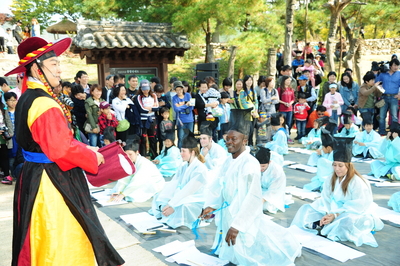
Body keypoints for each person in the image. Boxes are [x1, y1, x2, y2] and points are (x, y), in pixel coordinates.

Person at [5, 37, 124, 265]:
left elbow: (52, 141)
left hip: (35, 173)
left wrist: (83, 146)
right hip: (51, 179)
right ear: (36, 69)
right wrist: (91, 155)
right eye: (53, 65)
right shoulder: (43, 103)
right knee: (61, 238)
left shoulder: (28, 97)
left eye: (59, 64)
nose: (59, 70)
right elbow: (59, 149)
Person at [201, 108, 301, 266]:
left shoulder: (249, 164)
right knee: (233, 250)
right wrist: (211, 206)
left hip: (243, 215)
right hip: (229, 211)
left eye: (234, 139)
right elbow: (219, 185)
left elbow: (253, 198)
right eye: (227, 138)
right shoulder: (229, 160)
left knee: (253, 249)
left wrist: (237, 225)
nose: (229, 142)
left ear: (245, 140)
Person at [293, 137, 384, 247]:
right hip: (332, 209)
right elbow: (326, 198)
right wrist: (328, 213)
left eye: (340, 166)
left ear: (348, 166)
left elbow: (358, 206)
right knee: (307, 209)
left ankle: (324, 224)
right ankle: (323, 222)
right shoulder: (330, 178)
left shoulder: (358, 182)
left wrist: (335, 215)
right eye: (334, 165)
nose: (337, 169)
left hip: (351, 212)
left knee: (347, 220)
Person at [150, 129, 208, 229]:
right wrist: (168, 200)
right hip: (183, 195)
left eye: (183, 151)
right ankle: (164, 212)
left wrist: (172, 205)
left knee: (181, 207)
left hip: (196, 199)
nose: (181, 154)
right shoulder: (183, 165)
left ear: (192, 152)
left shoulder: (200, 169)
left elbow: (188, 191)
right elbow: (174, 183)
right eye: (181, 151)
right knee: (159, 196)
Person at [110, 137, 165, 203]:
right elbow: (125, 178)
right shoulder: (130, 162)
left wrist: (123, 194)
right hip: (141, 181)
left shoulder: (143, 162)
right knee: (120, 188)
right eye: (126, 154)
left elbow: (138, 180)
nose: (128, 157)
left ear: (137, 152)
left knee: (133, 194)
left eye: (130, 154)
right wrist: (119, 191)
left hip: (153, 183)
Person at [254, 147, 287, 214]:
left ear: (269, 162)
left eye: (263, 166)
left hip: (273, 195)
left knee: (262, 206)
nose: (260, 168)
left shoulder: (276, 171)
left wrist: (261, 200)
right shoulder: (254, 165)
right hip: (260, 191)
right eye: (259, 166)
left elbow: (274, 191)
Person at [134, 79, 159, 158]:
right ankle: (143, 156)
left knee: (153, 138)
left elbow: (157, 107)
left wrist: (149, 108)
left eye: (147, 88)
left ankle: (153, 155)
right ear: (141, 89)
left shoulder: (153, 95)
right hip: (143, 120)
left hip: (152, 119)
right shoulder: (138, 97)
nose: (146, 91)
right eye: (144, 89)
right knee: (143, 139)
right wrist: (151, 108)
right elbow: (141, 109)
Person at [375, 59, 400, 135]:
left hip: (394, 97)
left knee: (394, 116)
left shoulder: (399, 74)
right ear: (390, 66)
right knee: (382, 116)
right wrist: (378, 72)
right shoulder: (383, 74)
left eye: (397, 65)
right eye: (394, 65)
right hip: (384, 97)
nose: (396, 67)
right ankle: (382, 131)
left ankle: (394, 132)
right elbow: (376, 82)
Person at [172, 80, 194, 148]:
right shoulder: (174, 98)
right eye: (177, 90)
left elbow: (192, 106)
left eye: (180, 89)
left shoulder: (187, 95)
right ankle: (180, 153)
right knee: (181, 138)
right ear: (175, 90)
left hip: (190, 119)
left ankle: (189, 151)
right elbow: (176, 109)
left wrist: (181, 106)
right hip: (181, 120)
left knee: (189, 137)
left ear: (182, 88)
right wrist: (186, 105)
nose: (179, 91)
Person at [0, 94, 14, 185]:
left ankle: (6, 175)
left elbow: (7, 121)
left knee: (4, 156)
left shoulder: (3, 107)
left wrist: (10, 133)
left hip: (3, 136)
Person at [5, 92, 18, 179]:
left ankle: (18, 173)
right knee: (11, 155)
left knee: (19, 154)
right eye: (10, 100)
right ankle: (12, 173)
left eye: (14, 100)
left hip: (19, 135)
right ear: (6, 102)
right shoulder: (5, 113)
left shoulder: (19, 111)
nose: (13, 102)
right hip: (10, 137)